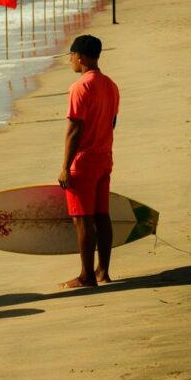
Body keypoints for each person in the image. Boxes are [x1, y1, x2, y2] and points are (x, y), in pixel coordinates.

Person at [58, 35, 120, 289]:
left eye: (71, 55)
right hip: (104, 157)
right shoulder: (110, 85)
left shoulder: (80, 87)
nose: (70, 60)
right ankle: (103, 271)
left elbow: (75, 128)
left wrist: (65, 166)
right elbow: (112, 122)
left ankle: (86, 276)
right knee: (102, 216)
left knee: (82, 219)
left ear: (80, 57)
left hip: (83, 161)